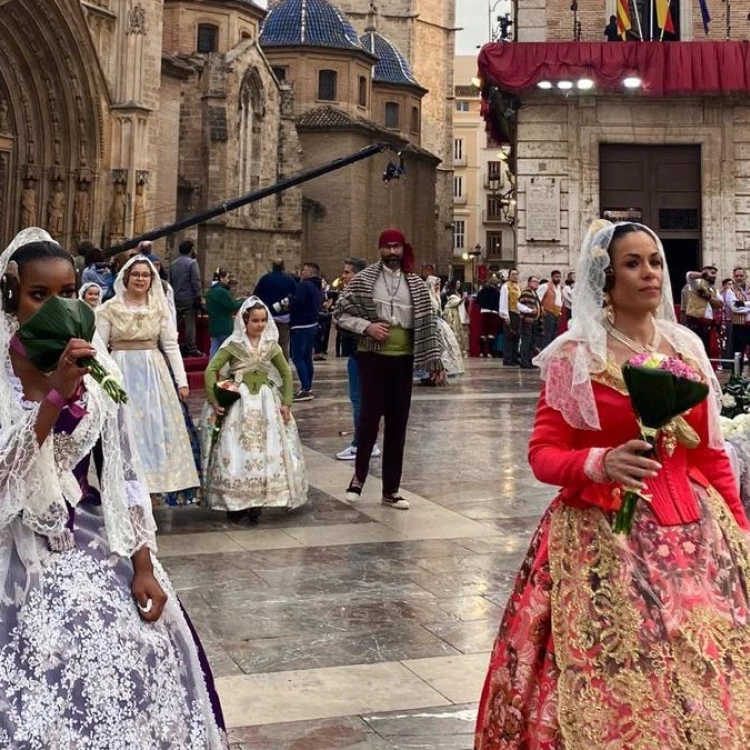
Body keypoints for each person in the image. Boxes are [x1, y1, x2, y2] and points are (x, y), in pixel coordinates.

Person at [475, 220, 750, 749]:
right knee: (622, 660)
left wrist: (739, 528)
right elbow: (543, 455)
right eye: (633, 263)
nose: (649, 273)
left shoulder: (686, 346)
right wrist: (601, 462)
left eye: (654, 262)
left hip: (696, 534)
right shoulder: (577, 355)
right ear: (606, 279)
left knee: (705, 659)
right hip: (602, 534)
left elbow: (710, 454)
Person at [0, 228, 226, 747]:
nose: (56, 309)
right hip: (14, 538)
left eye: (67, 295)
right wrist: (53, 396)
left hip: (87, 527)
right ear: (12, 294)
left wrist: (143, 564)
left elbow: (122, 469)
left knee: (140, 638)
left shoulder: (94, 363)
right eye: (40, 296)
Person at [334, 228, 444, 510]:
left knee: (398, 424)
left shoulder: (416, 285)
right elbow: (340, 314)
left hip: (403, 359)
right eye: (387, 247)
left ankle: (391, 490)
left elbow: (429, 324)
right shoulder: (364, 280)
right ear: (380, 250)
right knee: (369, 418)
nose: (393, 252)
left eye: (397, 247)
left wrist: (434, 361)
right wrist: (367, 326)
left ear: (403, 249)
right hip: (372, 356)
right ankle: (358, 479)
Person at [97, 257, 200, 501]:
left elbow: (171, 345)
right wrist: (101, 381)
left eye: (146, 275)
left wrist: (182, 381)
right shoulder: (109, 308)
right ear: (126, 277)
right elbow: (100, 349)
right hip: (121, 370)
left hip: (154, 374)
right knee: (126, 429)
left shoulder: (158, 308)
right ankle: (128, 489)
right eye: (136, 275)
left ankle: (153, 488)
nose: (141, 279)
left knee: (155, 429)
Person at [202, 297, 307, 524]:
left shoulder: (271, 345)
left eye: (263, 320)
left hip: (266, 402)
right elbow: (212, 369)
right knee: (238, 446)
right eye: (255, 321)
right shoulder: (233, 344)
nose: (259, 325)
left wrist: (286, 402)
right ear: (244, 321)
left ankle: (259, 498)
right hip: (240, 402)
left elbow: (286, 372)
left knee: (266, 447)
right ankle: (236, 499)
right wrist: (214, 398)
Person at [335, 258, 382, 461]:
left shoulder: (361, 295)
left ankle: (361, 444)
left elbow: (340, 317)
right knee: (362, 400)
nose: (343, 276)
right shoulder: (361, 293)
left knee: (360, 401)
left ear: (357, 274)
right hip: (358, 353)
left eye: (347, 272)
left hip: (362, 354)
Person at [289, 261, 323, 402]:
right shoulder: (317, 286)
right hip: (312, 324)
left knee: (297, 357)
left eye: (304, 270)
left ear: (310, 272)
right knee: (307, 357)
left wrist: (290, 302)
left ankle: (305, 388)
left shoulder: (304, 285)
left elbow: (298, 303)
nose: (301, 273)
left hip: (301, 325)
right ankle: (308, 386)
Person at [253, 258, 298, 360]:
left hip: (267, 317)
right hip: (284, 317)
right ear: (283, 267)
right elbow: (297, 295)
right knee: (283, 345)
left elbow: (256, 296)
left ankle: (267, 369)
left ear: (272, 267)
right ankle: (284, 371)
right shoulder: (289, 279)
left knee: (267, 345)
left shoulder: (265, 279)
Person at [423, 275, 464, 380]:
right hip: (430, 322)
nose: (437, 287)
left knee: (447, 345)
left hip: (439, 322)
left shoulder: (437, 296)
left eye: (438, 285)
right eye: (435, 285)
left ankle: (445, 368)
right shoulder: (427, 296)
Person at [169, 239, 203, 357]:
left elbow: (171, 281)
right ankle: (191, 347)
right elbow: (196, 281)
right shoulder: (192, 263)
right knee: (190, 324)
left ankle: (171, 344)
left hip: (175, 297)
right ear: (191, 250)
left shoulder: (173, 264)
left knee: (174, 323)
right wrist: (199, 295)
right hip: (189, 298)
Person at [685, 265, 723, 357]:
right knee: (696, 349)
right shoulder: (697, 283)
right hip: (696, 321)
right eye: (712, 273)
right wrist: (703, 275)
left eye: (715, 274)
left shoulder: (714, 289)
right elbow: (689, 275)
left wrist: (709, 298)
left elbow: (720, 304)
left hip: (708, 324)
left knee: (706, 349)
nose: (714, 276)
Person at [206, 267, 244, 357]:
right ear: (221, 278)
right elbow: (231, 306)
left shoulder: (210, 292)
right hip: (224, 325)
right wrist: (242, 301)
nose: (228, 280)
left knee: (214, 348)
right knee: (231, 350)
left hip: (213, 325)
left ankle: (212, 368)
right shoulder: (221, 292)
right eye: (227, 278)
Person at [518, 275, 542, 368]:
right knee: (526, 341)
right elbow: (520, 305)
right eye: (534, 281)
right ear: (529, 282)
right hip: (527, 320)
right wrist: (531, 310)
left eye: (538, 282)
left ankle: (529, 360)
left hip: (534, 321)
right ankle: (524, 362)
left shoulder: (534, 293)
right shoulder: (526, 292)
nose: (536, 284)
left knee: (532, 342)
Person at [499, 268, 521, 366]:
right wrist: (505, 315)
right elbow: (503, 301)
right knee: (509, 336)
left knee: (516, 336)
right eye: (513, 274)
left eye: (516, 274)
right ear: (509, 275)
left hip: (518, 313)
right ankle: (507, 358)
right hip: (510, 312)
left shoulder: (518, 286)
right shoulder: (505, 286)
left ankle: (514, 357)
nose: (515, 276)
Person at [476, 278, 502, 358]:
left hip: (484, 312)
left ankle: (481, 351)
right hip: (494, 313)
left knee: (483, 333)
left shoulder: (482, 291)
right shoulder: (498, 293)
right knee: (491, 334)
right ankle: (489, 352)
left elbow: (477, 301)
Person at [443, 280, 469, 353]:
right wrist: (463, 299)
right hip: (453, 313)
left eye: (459, 283)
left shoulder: (458, 292)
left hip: (459, 312)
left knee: (460, 331)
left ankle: (460, 348)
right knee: (455, 330)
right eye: (457, 283)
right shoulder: (450, 293)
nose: (459, 285)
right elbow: (453, 303)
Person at [540, 268, 563, 347]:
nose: (558, 279)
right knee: (547, 335)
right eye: (556, 277)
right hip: (548, 313)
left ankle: (551, 355)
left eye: (559, 277)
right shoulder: (545, 286)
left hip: (557, 314)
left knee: (554, 335)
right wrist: (542, 310)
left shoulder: (559, 288)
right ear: (552, 277)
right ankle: (544, 355)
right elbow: (538, 299)